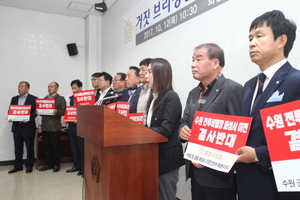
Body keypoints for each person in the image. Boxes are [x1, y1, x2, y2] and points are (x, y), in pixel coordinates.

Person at [235, 10, 300, 200]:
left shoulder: (296, 81)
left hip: (277, 186)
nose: (251, 43)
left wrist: (258, 154)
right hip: (246, 183)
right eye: (250, 38)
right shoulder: (249, 85)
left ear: (281, 41)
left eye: (259, 36)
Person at [179, 43, 243, 200]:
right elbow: (184, 120)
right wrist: (182, 130)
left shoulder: (232, 89)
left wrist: (210, 158)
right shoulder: (193, 93)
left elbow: (239, 133)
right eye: (192, 60)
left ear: (216, 63)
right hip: (194, 170)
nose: (193, 64)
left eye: (198, 59)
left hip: (219, 176)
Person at [145, 58, 185, 200]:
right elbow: (150, 126)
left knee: (166, 196)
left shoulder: (171, 97)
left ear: (160, 74)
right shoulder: (153, 97)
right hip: (154, 156)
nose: (145, 76)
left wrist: (141, 132)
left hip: (167, 158)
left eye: (150, 72)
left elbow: (166, 130)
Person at [8, 81, 37, 174]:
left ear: (28, 88)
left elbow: (35, 113)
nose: (19, 88)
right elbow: (11, 110)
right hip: (17, 126)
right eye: (19, 86)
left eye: (22, 86)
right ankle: (18, 166)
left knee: (29, 147)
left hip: (28, 127)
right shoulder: (14, 99)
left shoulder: (34, 99)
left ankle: (29, 165)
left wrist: (29, 118)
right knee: (17, 147)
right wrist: (10, 116)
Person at [38, 82, 66, 172]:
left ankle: (56, 164)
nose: (49, 88)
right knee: (46, 147)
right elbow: (42, 111)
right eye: (48, 87)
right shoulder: (45, 99)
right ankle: (49, 164)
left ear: (57, 88)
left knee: (55, 147)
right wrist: (38, 111)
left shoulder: (60, 99)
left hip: (54, 127)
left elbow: (64, 111)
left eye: (51, 87)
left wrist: (57, 112)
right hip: (45, 127)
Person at [66, 79, 84, 176]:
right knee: (74, 146)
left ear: (80, 87)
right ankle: (76, 165)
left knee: (81, 147)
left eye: (75, 88)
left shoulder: (86, 98)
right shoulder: (71, 98)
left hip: (81, 125)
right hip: (72, 124)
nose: (73, 90)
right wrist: (66, 118)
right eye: (72, 88)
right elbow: (71, 111)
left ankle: (83, 166)